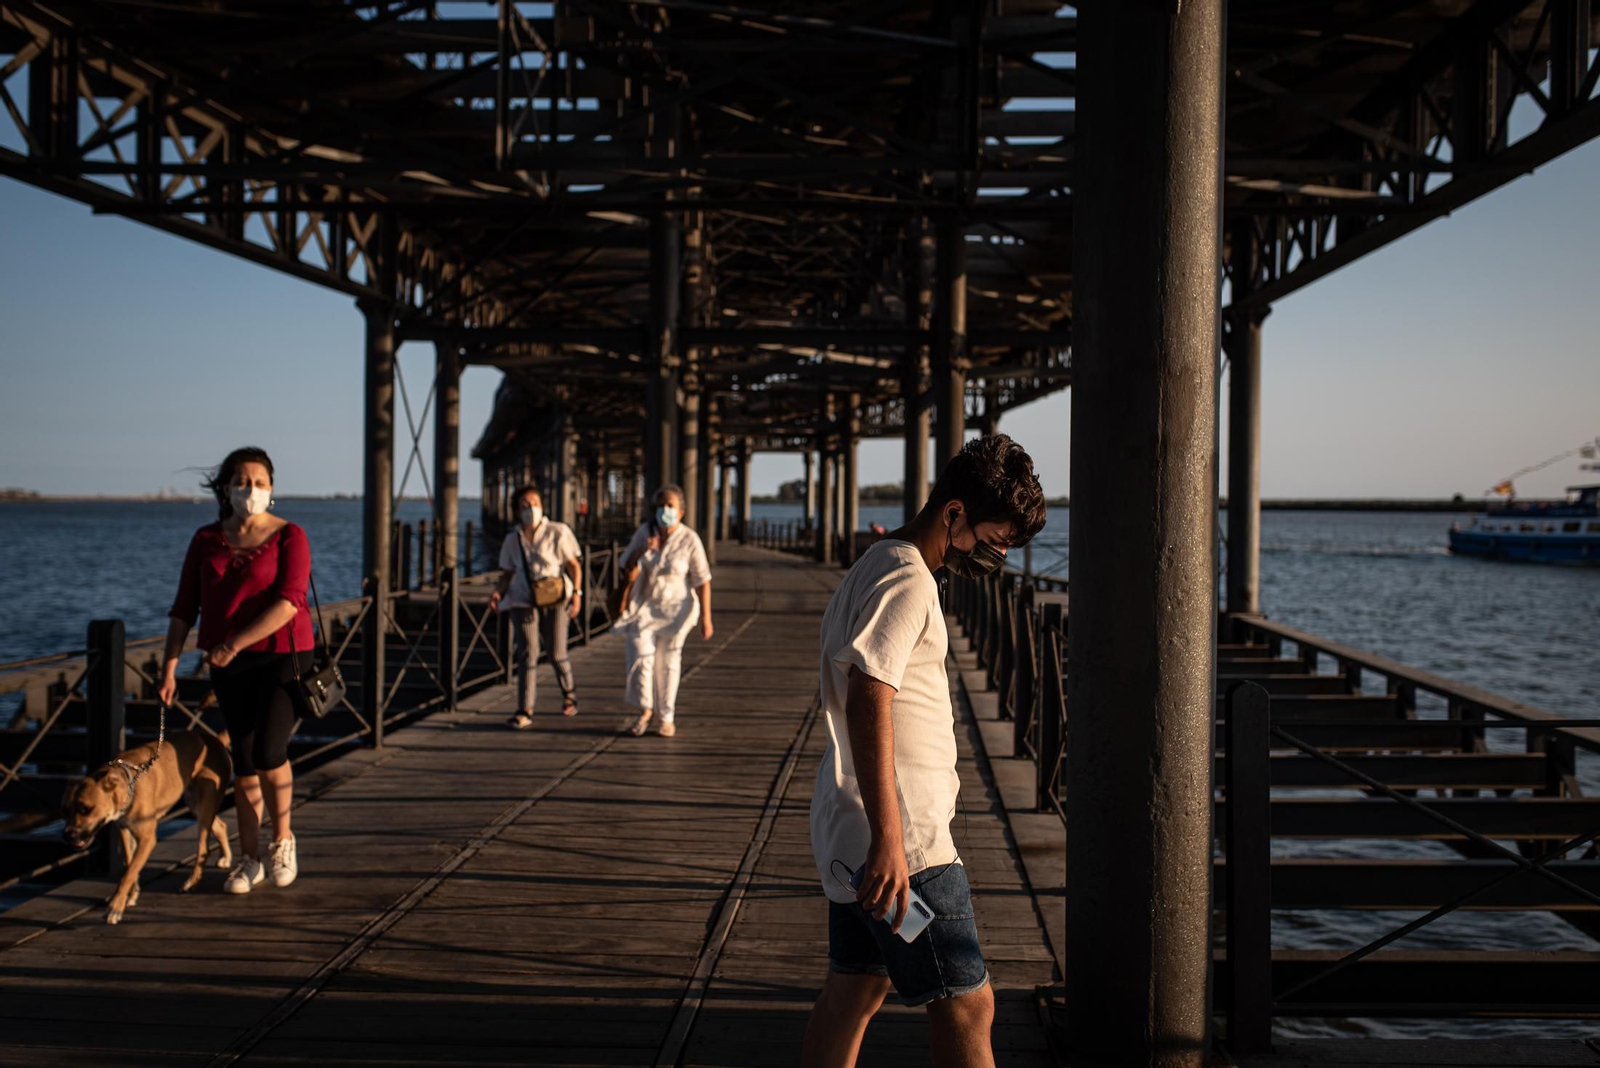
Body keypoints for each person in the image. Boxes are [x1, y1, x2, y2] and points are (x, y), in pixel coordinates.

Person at [801, 434, 1047, 1068]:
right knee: (969, 1005)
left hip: (859, 839)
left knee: (856, 987)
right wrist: (891, 839)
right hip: (904, 852)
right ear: (954, 513)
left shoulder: (878, 562)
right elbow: (868, 694)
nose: (995, 555)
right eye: (994, 539)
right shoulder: (909, 579)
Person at [160, 446, 316, 895]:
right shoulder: (206, 540)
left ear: (272, 489)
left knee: (270, 750)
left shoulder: (291, 536)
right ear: (226, 489)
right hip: (230, 666)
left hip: (284, 656)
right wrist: (170, 666)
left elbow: (290, 602)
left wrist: (233, 643)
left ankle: (282, 839)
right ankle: (249, 859)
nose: (252, 489)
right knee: (244, 759)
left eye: (261, 482)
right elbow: (184, 607)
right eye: (243, 482)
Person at [617, 484, 714, 738]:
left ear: (681, 511)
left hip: (678, 609)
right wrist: (642, 549)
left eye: (670, 506)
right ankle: (645, 709)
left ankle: (666, 717)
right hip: (646, 607)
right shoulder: (644, 533)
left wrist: (706, 617)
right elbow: (624, 564)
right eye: (661, 506)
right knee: (640, 654)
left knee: (668, 661)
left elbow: (702, 580)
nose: (665, 510)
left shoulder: (690, 538)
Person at [488, 486, 583, 728]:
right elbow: (507, 572)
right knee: (527, 653)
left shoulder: (558, 531)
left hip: (556, 597)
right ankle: (524, 709)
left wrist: (578, 594)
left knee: (556, 652)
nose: (531, 508)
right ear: (517, 510)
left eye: (535, 503)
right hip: (523, 597)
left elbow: (573, 565)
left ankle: (569, 691)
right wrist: (498, 593)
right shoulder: (512, 539)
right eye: (525, 505)